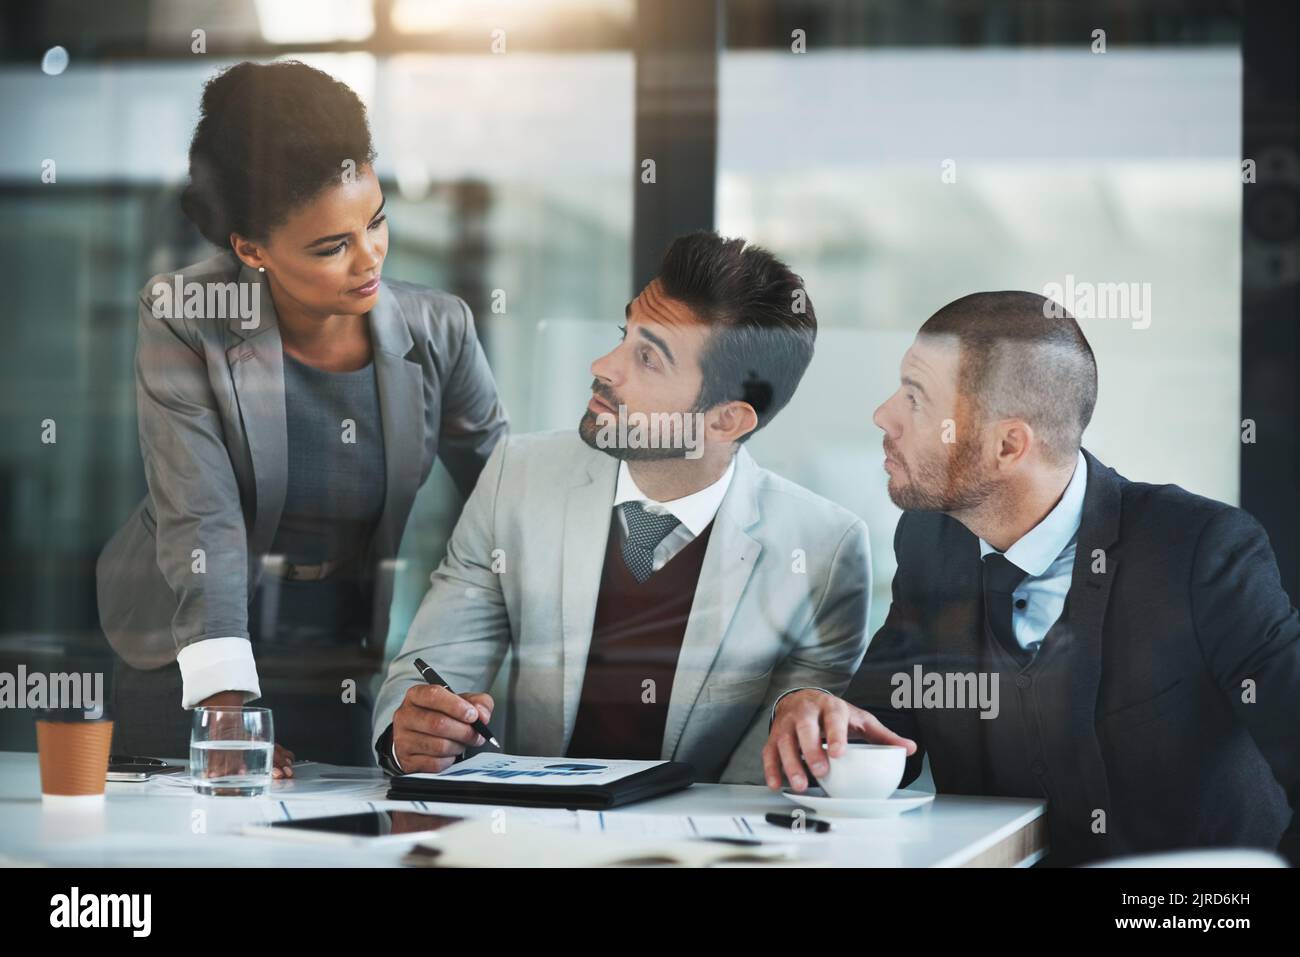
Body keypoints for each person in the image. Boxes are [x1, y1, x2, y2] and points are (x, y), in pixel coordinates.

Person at [763, 290, 1300, 866]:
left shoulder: (1201, 550)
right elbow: (886, 730)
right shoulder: (929, 540)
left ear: (1007, 445)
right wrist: (817, 711)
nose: (884, 415)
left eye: (915, 399)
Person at [96, 61, 507, 769]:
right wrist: (226, 706)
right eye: (331, 246)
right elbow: (203, 514)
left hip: (339, 646)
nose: (369, 257)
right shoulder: (188, 316)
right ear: (251, 250)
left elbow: (505, 493)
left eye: (375, 220)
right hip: (187, 646)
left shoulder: (439, 328)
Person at [372, 232, 870, 783]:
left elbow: (771, 774)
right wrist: (413, 734)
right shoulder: (519, 476)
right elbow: (433, 672)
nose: (604, 365)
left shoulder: (823, 551)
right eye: (622, 334)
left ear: (728, 420)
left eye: (648, 358)